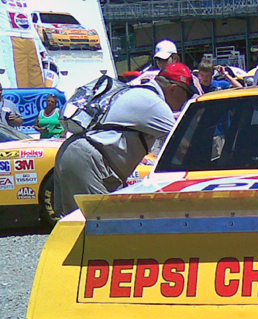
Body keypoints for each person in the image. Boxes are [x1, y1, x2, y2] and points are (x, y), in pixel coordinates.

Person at [54, 63, 196, 216]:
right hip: (87, 160)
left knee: (80, 225)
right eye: (187, 94)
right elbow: (183, 146)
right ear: (173, 88)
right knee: (102, 226)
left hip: (75, 152)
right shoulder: (153, 103)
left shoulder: (136, 93)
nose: (187, 100)